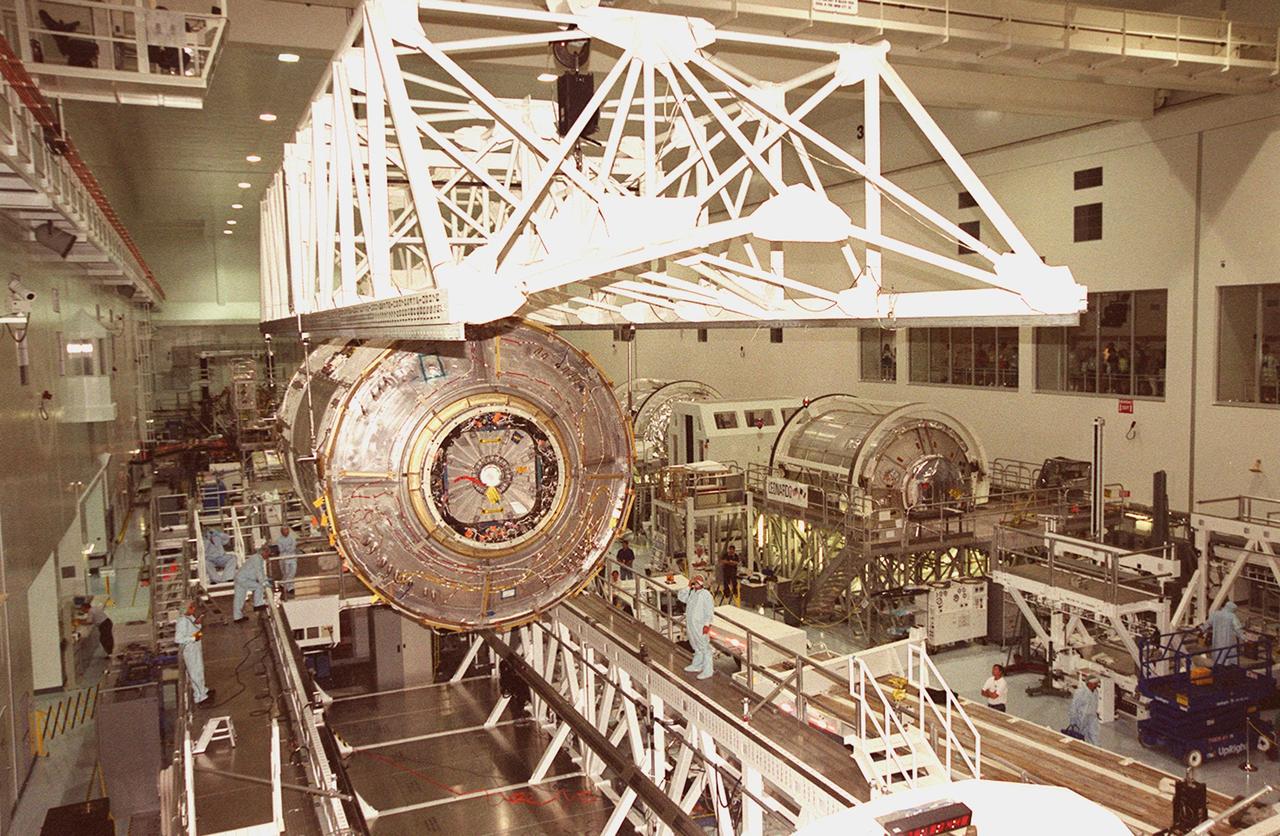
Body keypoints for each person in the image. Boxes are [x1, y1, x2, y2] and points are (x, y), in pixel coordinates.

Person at [175, 601, 214, 706]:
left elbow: (195, 627)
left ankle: (203, 690)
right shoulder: (182, 621)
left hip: (195, 647)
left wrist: (199, 622)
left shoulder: (189, 618)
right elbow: (178, 639)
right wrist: (193, 638)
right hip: (190, 649)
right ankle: (200, 697)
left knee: (199, 670)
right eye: (191, 607)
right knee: (194, 672)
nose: (193, 609)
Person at [677, 575, 715, 680]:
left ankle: (708, 670)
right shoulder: (692, 593)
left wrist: (707, 625)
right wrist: (688, 586)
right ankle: (697, 665)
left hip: (700, 625)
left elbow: (709, 611)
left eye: (698, 581)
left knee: (704, 647)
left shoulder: (706, 595)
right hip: (691, 624)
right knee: (695, 645)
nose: (696, 582)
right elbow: (681, 597)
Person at [232, 545, 270, 622]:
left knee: (239, 598)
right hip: (243, 579)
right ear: (264, 552)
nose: (268, 556)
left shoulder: (257, 558)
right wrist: (264, 583)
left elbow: (261, 572)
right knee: (259, 587)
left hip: (240, 578)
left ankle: (237, 617)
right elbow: (259, 573)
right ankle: (258, 604)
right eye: (268, 554)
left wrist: (266, 579)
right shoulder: (257, 559)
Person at [1203, 601, 1245, 666]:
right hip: (1229, 641)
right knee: (1228, 656)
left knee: (1218, 654)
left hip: (1218, 640)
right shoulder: (1232, 616)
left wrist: (1202, 630)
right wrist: (1244, 638)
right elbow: (1238, 629)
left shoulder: (1216, 614)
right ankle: (1227, 666)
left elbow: (1207, 623)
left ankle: (1218, 665)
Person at [1066, 676, 1101, 745]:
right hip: (1081, 718)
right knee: (1079, 735)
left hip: (1092, 718)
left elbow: (1095, 704)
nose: (1097, 685)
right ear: (1090, 683)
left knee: (1094, 734)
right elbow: (1074, 706)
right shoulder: (1080, 692)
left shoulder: (1095, 692)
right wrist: (1073, 720)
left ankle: (1097, 750)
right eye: (1095, 683)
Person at [274, 525, 298, 597]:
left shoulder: (292, 538)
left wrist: (287, 548)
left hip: (292, 557)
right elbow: (281, 549)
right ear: (281, 532)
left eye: (287, 530)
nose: (286, 532)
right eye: (284, 530)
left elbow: (293, 547)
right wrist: (288, 548)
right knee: (286, 573)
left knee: (293, 572)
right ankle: (288, 587)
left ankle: (286, 584)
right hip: (284, 558)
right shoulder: (279, 540)